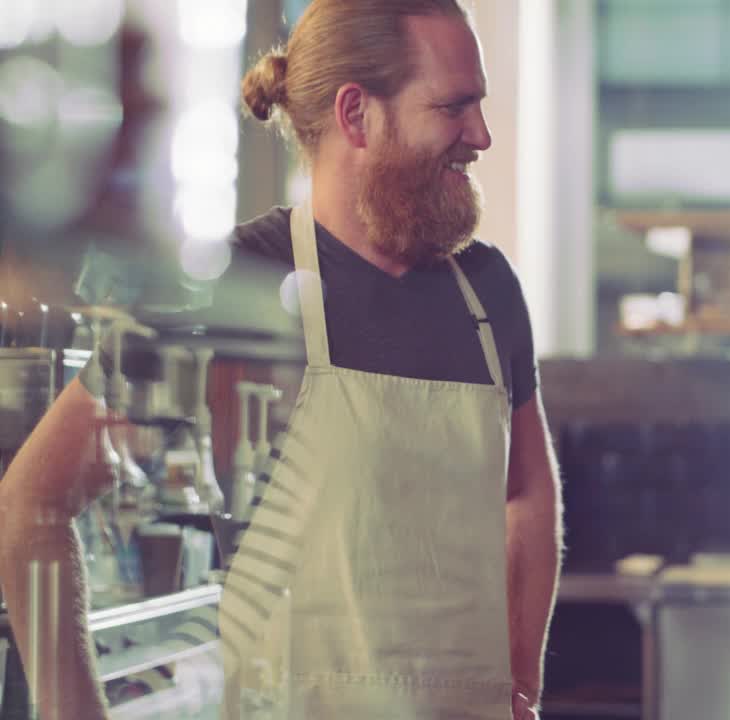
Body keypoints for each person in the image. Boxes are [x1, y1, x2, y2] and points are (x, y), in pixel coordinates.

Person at [0, 2, 562, 719]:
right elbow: (32, 502)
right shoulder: (231, 291)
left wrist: (521, 682)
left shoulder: (487, 291)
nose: (480, 135)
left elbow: (526, 496)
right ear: (357, 114)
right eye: (455, 107)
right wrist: (70, 710)